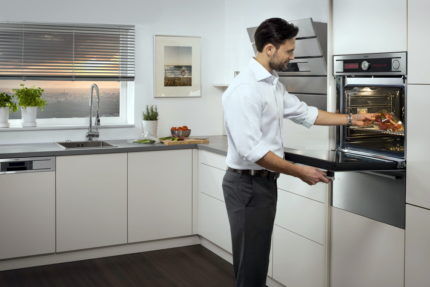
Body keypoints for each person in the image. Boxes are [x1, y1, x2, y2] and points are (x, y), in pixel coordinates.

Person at [221, 18, 374, 287]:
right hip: (248, 185)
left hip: (262, 183)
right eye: (289, 51)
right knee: (252, 266)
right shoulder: (245, 89)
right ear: (270, 49)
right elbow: (252, 151)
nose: (292, 57)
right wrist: (298, 171)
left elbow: (306, 113)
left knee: (256, 261)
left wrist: (352, 119)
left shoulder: (272, 85)